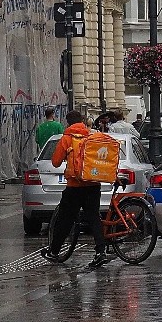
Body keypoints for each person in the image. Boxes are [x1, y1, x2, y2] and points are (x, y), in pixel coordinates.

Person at [41, 111, 108, 267]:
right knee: (94, 218)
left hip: (75, 186)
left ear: (68, 123)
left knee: (65, 219)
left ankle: (54, 251)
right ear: (83, 122)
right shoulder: (92, 137)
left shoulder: (67, 138)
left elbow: (56, 162)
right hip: (93, 183)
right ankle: (100, 252)